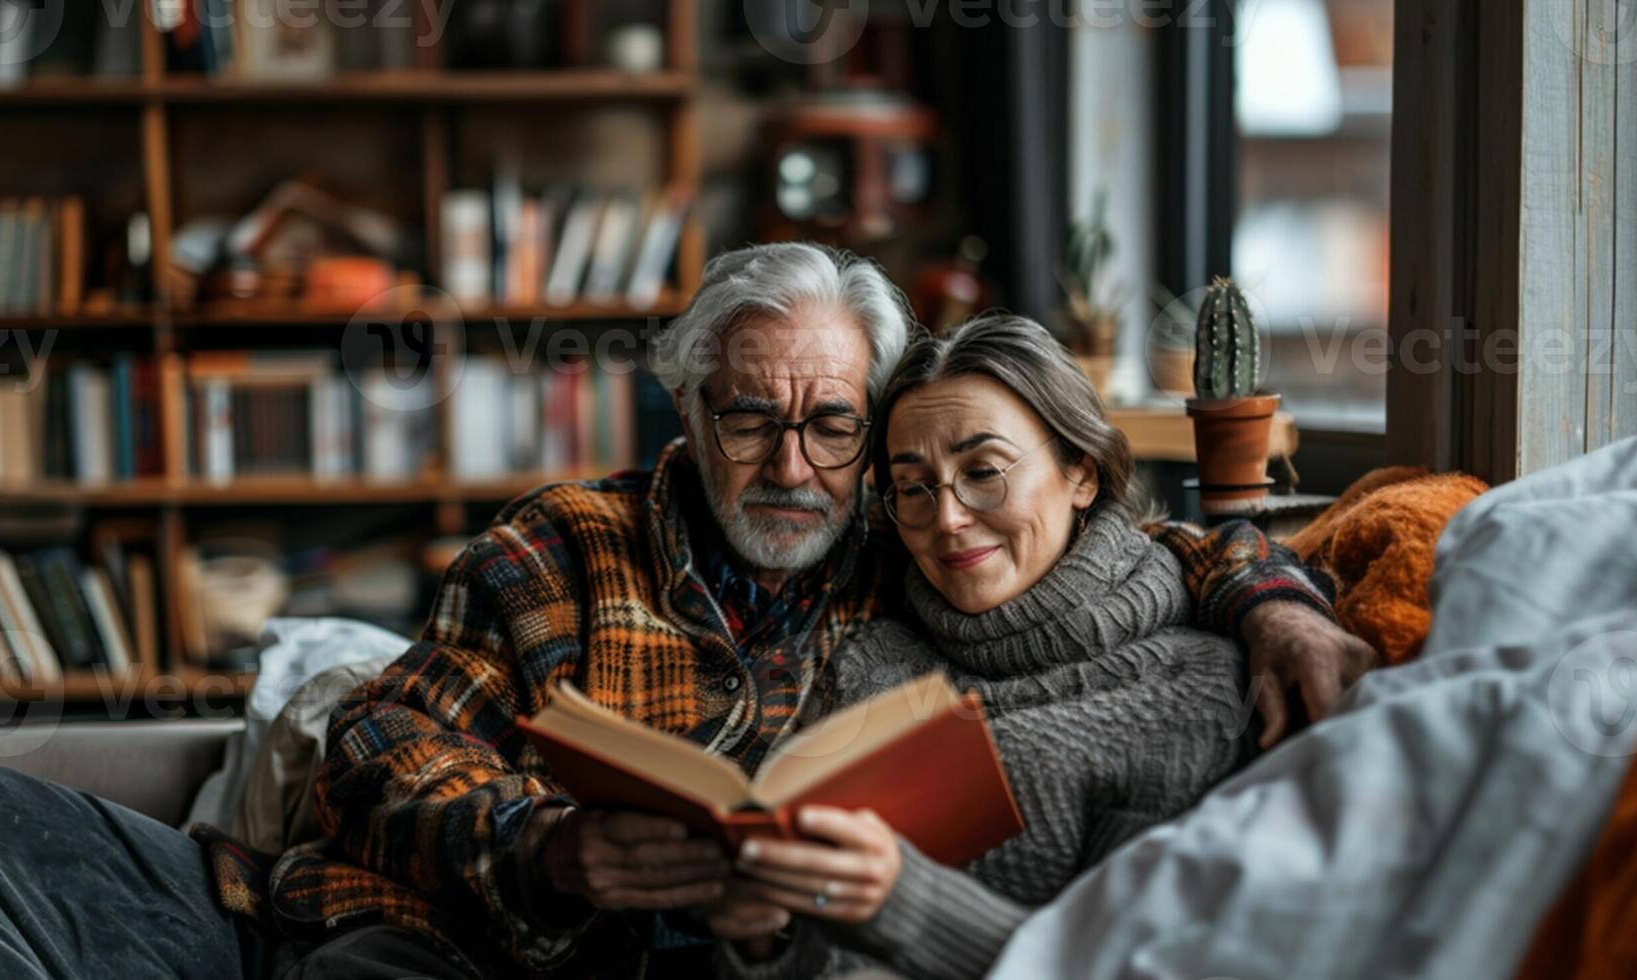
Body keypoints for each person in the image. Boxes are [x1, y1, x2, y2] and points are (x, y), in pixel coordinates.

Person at [238, 243, 1375, 978]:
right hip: (487, 945)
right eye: (747, 420)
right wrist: (545, 845)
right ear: (688, 411)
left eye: (833, 424)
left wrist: (1276, 601)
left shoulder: (913, 540)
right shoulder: (564, 543)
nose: (792, 465)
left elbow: (1119, 544)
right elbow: (379, 743)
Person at [705, 313, 1246, 979]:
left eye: (983, 470)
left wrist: (906, 903)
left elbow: (1138, 966)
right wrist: (766, 940)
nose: (948, 518)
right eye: (913, 488)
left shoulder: (1195, 695)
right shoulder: (872, 663)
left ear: (1080, 471)